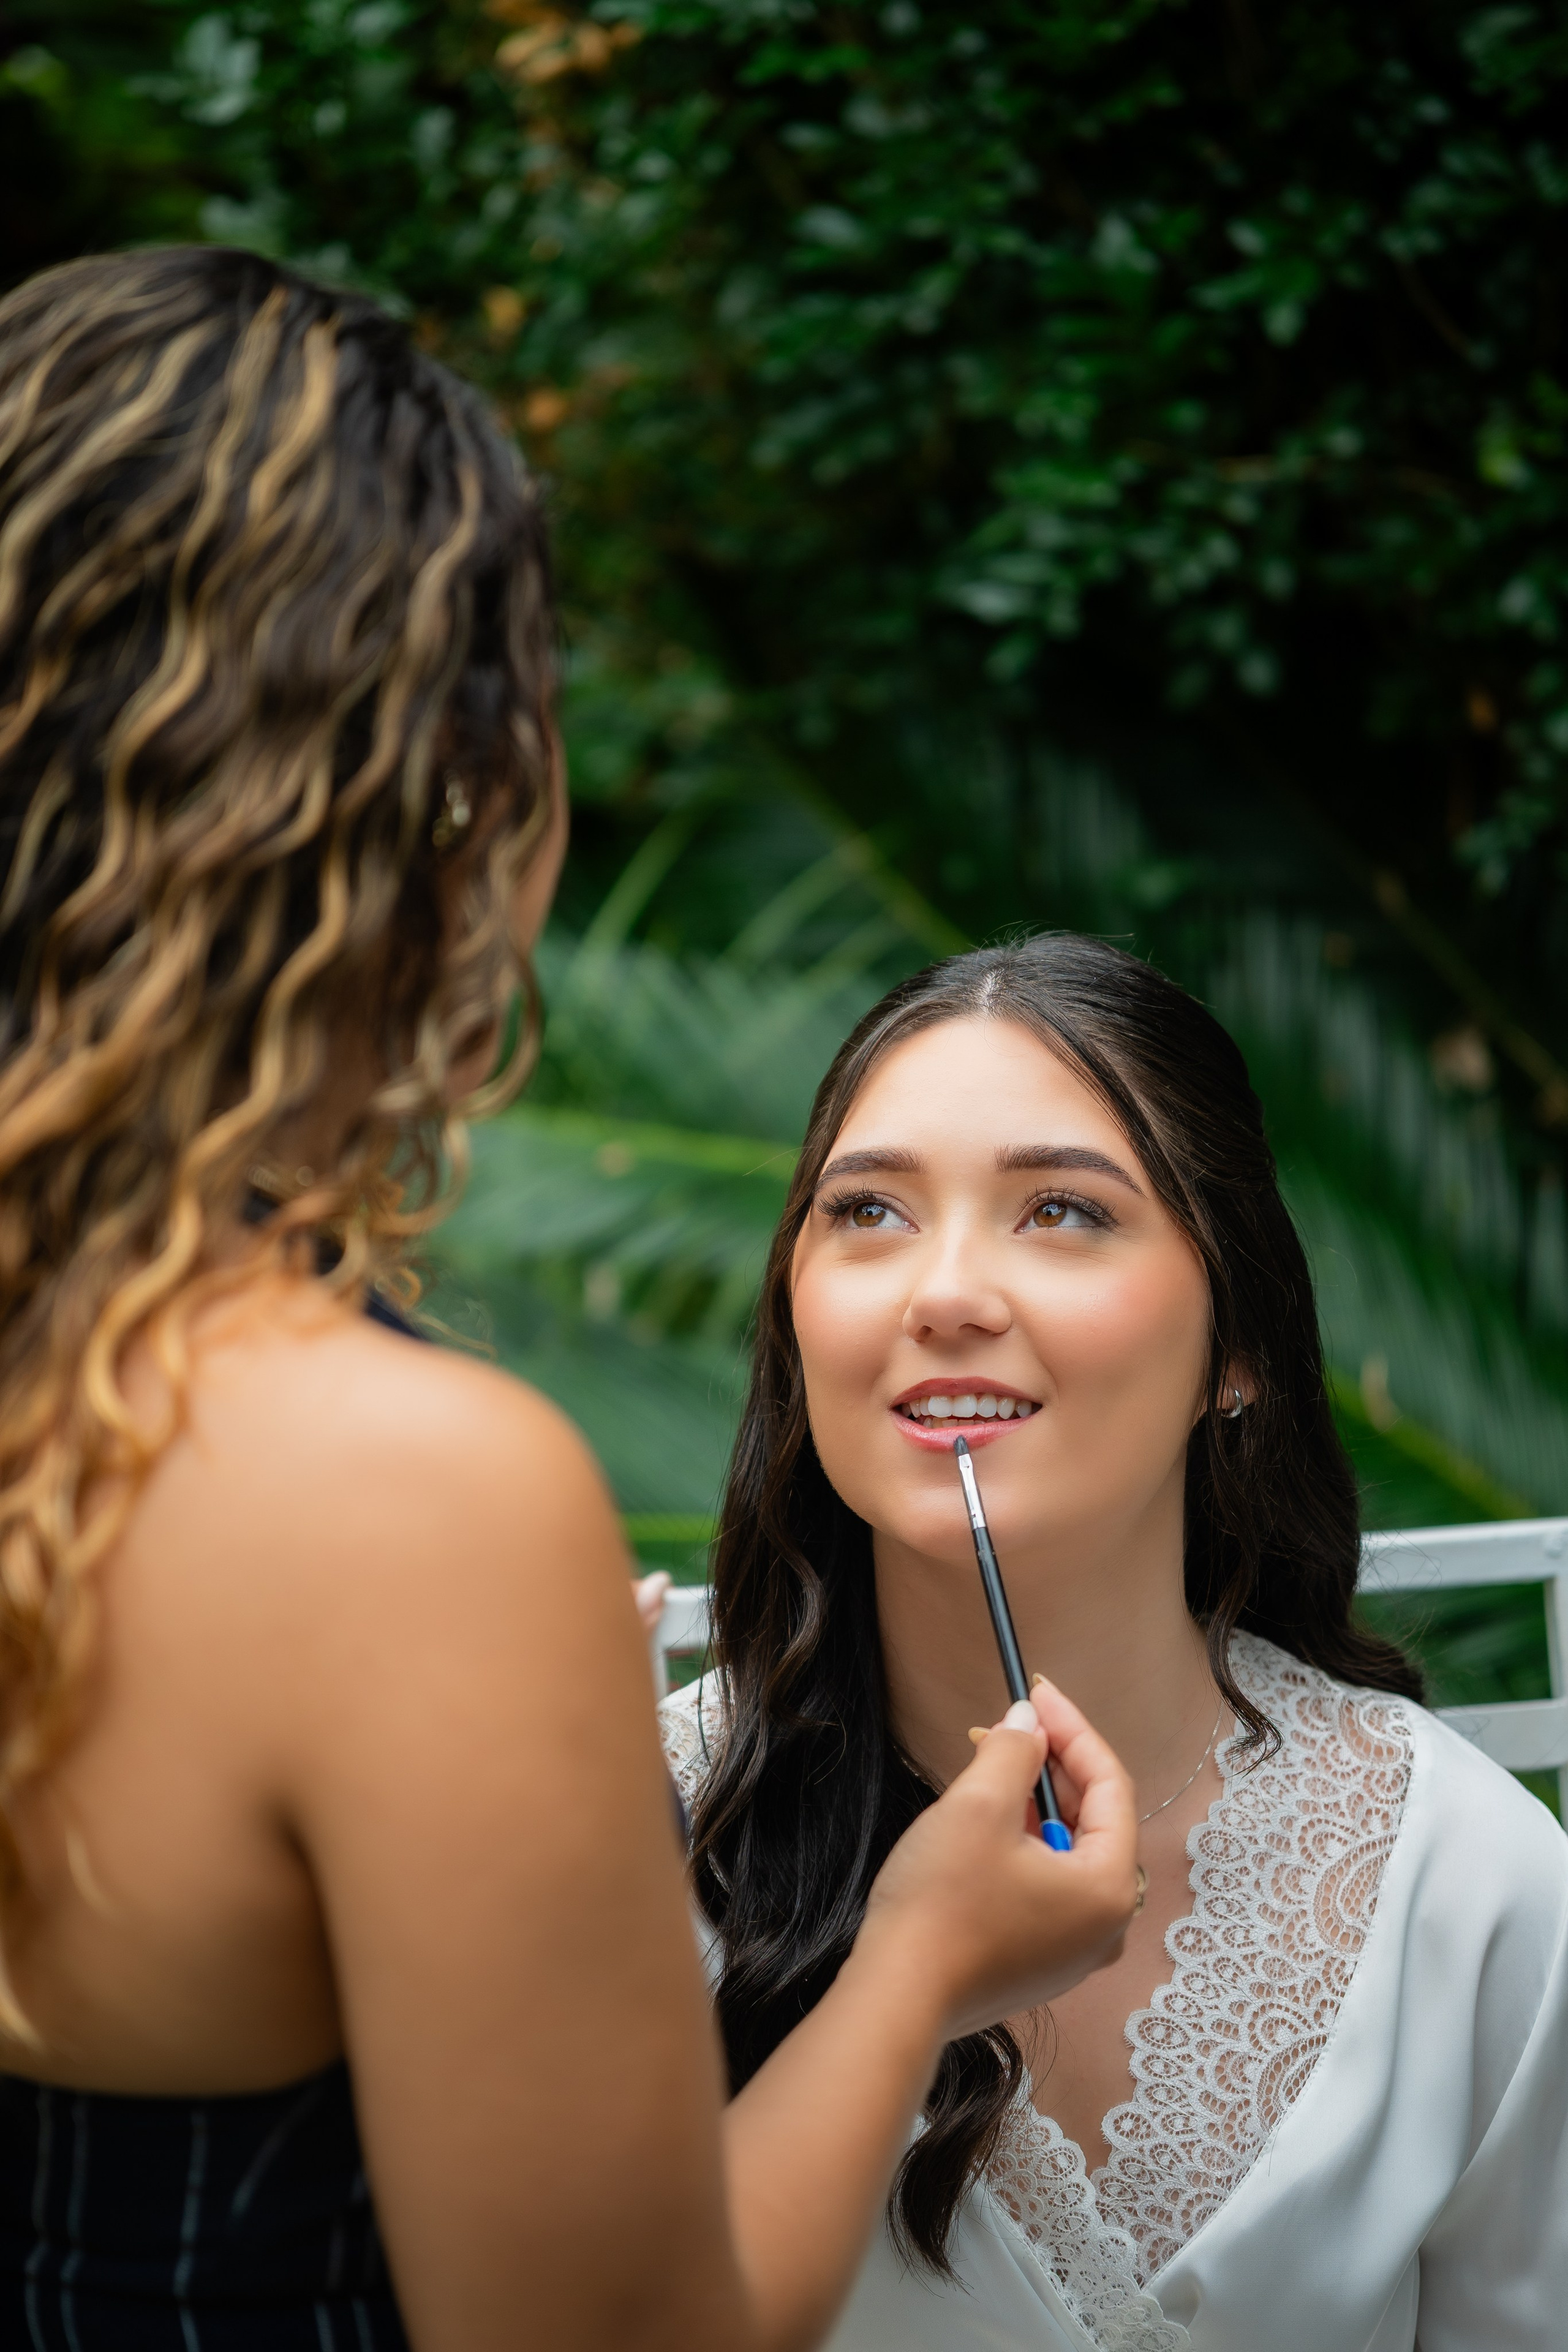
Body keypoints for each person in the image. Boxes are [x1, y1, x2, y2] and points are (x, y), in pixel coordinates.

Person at [0, 249, 1142, 2352]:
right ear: (419, 808)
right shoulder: (395, 1500)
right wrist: (920, 1961)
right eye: (865, 1212)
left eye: (1063, 1213)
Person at [662, 934, 1568, 2352]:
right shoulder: (626, 1847)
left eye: (1063, 1213)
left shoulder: (1469, 1886)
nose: (942, 1292)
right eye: (869, 1212)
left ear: (1237, 1348)